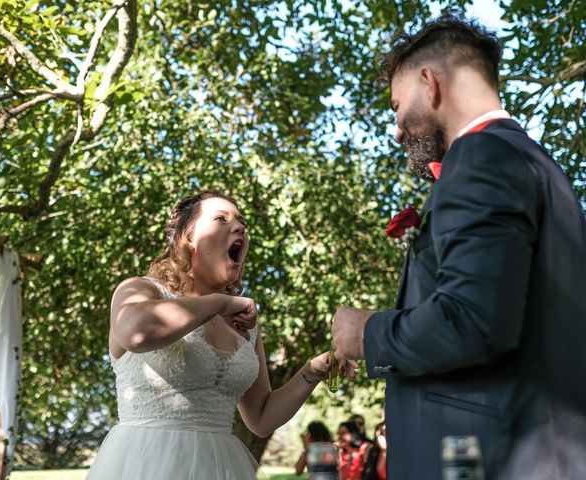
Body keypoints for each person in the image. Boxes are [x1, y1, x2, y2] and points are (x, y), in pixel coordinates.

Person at [330, 14, 586, 480]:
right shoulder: (533, 160)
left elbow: (474, 320)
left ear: (429, 83)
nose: (397, 130)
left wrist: (365, 333)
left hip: (493, 459)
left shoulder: (482, 155)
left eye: (396, 106)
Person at [87, 190, 356, 479]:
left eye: (241, 223)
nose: (239, 227)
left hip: (221, 467)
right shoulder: (141, 290)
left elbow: (261, 418)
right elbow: (136, 333)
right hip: (146, 463)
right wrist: (219, 303)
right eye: (220, 219)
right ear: (187, 237)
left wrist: (311, 372)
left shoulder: (244, 323)